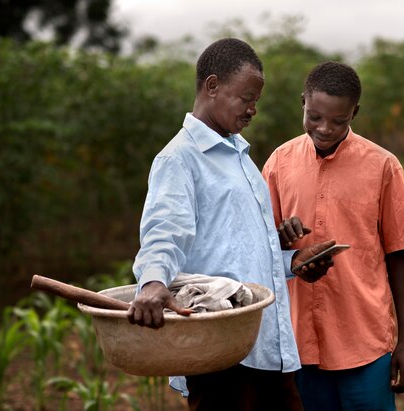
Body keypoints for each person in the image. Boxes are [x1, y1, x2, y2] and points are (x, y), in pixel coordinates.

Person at [126, 38, 336, 411]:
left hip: (267, 345)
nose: (253, 109)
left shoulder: (239, 156)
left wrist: (292, 263)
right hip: (219, 350)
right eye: (246, 98)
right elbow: (164, 231)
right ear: (212, 86)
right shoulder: (180, 159)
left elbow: (239, 247)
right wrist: (154, 281)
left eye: (256, 99)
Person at [262, 61, 404, 410]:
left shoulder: (382, 166)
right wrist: (282, 237)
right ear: (302, 101)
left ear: (355, 112)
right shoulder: (278, 164)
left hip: (364, 340)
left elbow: (398, 254)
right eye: (315, 117)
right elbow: (262, 249)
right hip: (300, 342)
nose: (325, 129)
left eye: (339, 121)